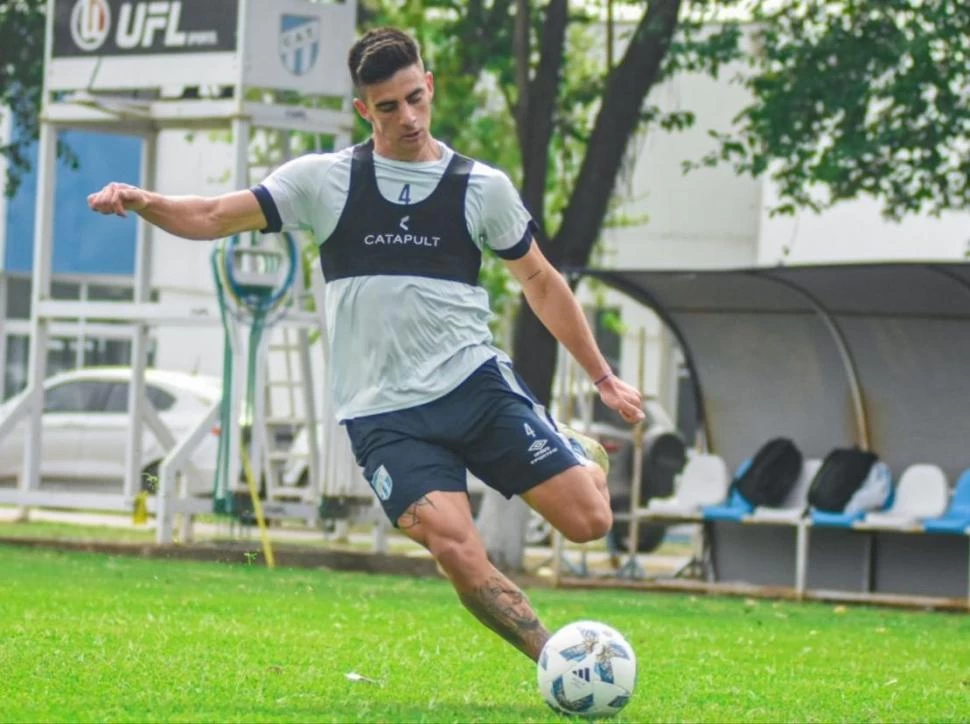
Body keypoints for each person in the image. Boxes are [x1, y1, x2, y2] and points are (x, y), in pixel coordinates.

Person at [88, 27, 645, 662]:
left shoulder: (480, 187)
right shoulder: (325, 181)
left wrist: (603, 377)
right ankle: (557, 663)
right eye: (388, 106)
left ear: (429, 86)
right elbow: (214, 215)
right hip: (384, 416)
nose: (407, 117)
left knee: (589, 523)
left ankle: (571, 448)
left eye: (415, 98)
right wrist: (145, 200)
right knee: (456, 550)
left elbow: (541, 282)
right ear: (364, 109)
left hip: (475, 388)